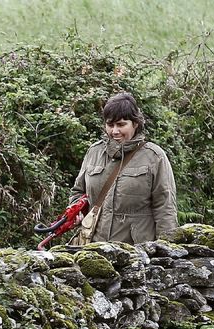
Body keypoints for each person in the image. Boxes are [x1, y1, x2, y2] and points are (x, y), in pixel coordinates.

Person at [70, 91, 178, 245]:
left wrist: (168, 250)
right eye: (110, 125)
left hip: (137, 252)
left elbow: (165, 208)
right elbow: (78, 192)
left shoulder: (154, 157)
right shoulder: (94, 152)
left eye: (121, 124)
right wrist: (77, 211)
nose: (114, 131)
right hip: (93, 248)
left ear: (135, 124)